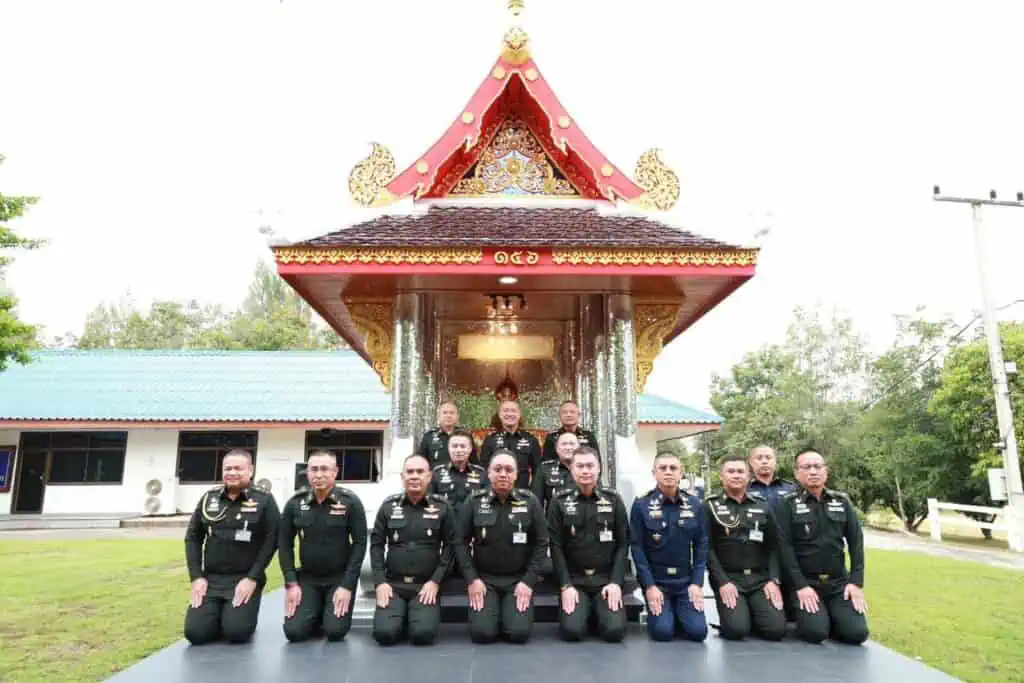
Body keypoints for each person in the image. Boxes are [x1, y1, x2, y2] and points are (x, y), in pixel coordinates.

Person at [184, 449, 280, 645]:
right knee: (195, 634)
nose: (232, 473)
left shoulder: (264, 500)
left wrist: (253, 578)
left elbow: (272, 540)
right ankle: (218, 615)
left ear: (250, 470)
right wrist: (196, 577)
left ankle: (231, 617)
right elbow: (192, 537)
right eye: (228, 468)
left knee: (237, 633)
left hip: (244, 578)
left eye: (238, 468)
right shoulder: (209, 499)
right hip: (211, 579)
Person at [776, 448, 869, 645]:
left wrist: (855, 583)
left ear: (826, 471)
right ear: (797, 473)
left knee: (857, 634)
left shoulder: (841, 501)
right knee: (815, 633)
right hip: (806, 583)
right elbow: (785, 549)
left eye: (817, 466)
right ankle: (819, 617)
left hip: (838, 584)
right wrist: (800, 586)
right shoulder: (787, 504)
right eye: (806, 467)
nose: (813, 471)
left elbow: (856, 543)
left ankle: (835, 617)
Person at [454, 450, 548, 644]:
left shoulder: (530, 502)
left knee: (518, 634)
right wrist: (472, 579)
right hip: (485, 580)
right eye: (497, 469)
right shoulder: (474, 501)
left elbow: (541, 543)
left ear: (517, 474)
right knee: (482, 634)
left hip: (518, 581)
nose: (503, 474)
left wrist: (528, 581)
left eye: (508, 469)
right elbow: (460, 542)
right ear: (488, 473)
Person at [278, 450, 368, 642]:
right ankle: (316, 611)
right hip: (308, 579)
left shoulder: (350, 502)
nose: (319, 475)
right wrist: (291, 583)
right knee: (294, 632)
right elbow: (284, 544)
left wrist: (347, 585)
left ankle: (323, 613)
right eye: (314, 469)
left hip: (339, 579)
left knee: (335, 632)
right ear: (307, 473)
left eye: (325, 469)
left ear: (335, 472)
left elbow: (360, 544)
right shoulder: (295, 503)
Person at [370, 454, 456, 646]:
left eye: (420, 472)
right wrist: (380, 582)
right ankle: (400, 617)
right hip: (393, 585)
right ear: (402, 477)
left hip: (425, 587)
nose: (414, 476)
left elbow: (451, 547)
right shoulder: (388, 506)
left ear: (429, 477)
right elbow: (376, 545)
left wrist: (435, 582)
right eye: (410, 472)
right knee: (384, 635)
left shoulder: (442, 507)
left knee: (423, 635)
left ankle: (412, 617)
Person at [547, 447, 629, 642]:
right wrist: (565, 585)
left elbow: (623, 544)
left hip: (605, 580)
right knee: (572, 632)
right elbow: (555, 546)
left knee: (614, 633)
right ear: (572, 470)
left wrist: (616, 583)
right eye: (580, 466)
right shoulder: (558, 502)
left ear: (598, 468)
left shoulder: (613, 500)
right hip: (575, 581)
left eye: (590, 466)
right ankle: (586, 611)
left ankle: (596, 611)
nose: (585, 471)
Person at [704, 454, 786, 641]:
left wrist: (773, 579)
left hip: (759, 579)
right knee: (736, 630)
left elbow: (774, 546)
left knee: (775, 631)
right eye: (730, 471)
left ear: (749, 476)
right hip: (729, 578)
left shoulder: (762, 505)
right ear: (721, 476)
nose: (736, 475)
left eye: (741, 471)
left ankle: (751, 614)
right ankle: (737, 618)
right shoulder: (711, 506)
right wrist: (722, 582)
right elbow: (707, 549)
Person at [629, 452, 708, 642]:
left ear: (681, 472)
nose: (668, 472)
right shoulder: (641, 505)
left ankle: (677, 613)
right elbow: (637, 548)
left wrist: (697, 583)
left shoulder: (696, 505)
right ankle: (666, 614)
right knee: (662, 632)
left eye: (673, 468)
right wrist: (649, 586)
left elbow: (702, 545)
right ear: (654, 473)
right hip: (658, 582)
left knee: (698, 633)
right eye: (662, 468)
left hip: (685, 581)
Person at [479, 400, 542, 490]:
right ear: (500, 415)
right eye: (505, 410)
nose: (509, 414)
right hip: (496, 494)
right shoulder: (490, 440)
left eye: (513, 411)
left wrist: (532, 495)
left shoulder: (531, 440)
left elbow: (538, 473)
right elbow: (484, 470)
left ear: (519, 414)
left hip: (522, 494)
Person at [428, 429, 487, 509]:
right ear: (448, 448)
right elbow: (430, 502)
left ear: (470, 449)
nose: (458, 450)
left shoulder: (481, 474)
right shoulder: (436, 474)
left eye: (463, 446)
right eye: (454, 446)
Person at [416, 401, 477, 467]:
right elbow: (420, 461)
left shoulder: (466, 435)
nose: (448, 416)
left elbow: (474, 461)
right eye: (444, 413)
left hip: (460, 475)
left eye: (452, 413)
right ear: (439, 416)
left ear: (457, 416)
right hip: (436, 476)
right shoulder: (429, 436)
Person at [533, 430, 578, 507]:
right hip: (553, 518)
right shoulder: (544, 469)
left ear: (578, 447)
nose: (568, 447)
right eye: (564, 444)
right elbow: (536, 502)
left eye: (572, 444)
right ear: (557, 448)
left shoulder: (587, 468)